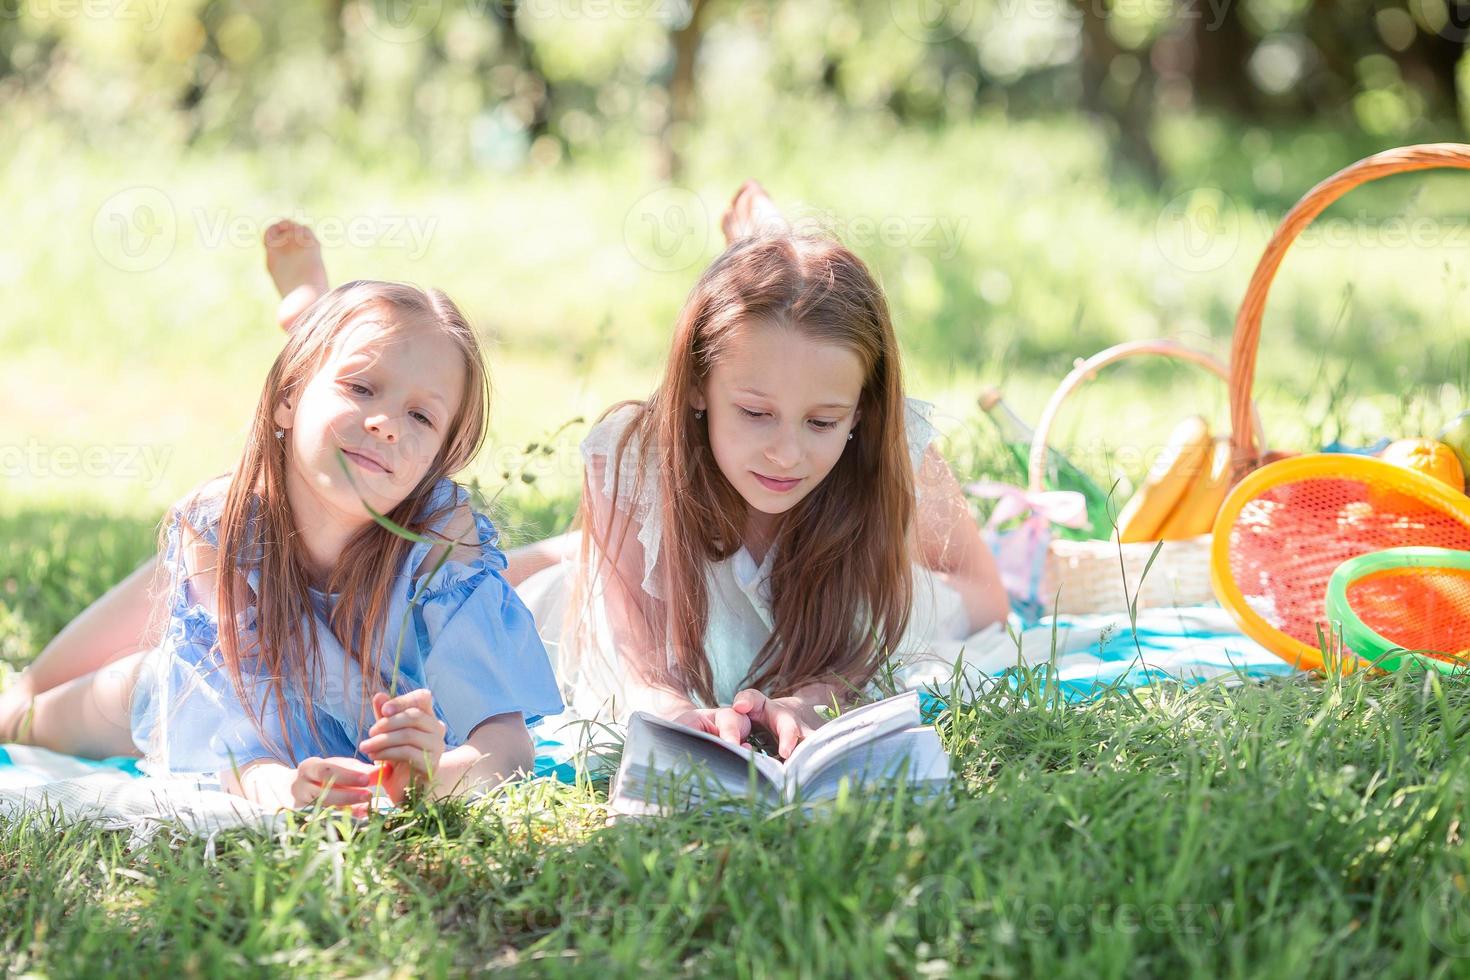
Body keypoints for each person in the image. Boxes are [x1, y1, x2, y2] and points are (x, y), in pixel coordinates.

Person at [2, 279, 562, 815]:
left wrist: (433, 780)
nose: (388, 424)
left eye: (421, 415)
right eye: (361, 387)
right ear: (287, 399)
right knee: (29, 717)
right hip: (189, 695)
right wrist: (282, 787)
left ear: (439, 456)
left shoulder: (442, 535)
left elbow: (508, 744)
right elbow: (229, 731)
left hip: (348, 719)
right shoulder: (217, 526)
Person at [514, 182, 1008, 759]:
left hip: (811, 559)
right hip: (668, 546)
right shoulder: (631, 458)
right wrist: (681, 717)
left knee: (961, 606)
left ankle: (772, 241)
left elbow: (987, 599)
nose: (786, 455)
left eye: (822, 422)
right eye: (755, 413)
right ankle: (767, 242)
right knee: (503, 578)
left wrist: (816, 699)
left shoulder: (886, 443)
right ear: (698, 384)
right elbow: (645, 679)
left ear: (862, 410)